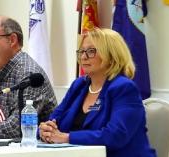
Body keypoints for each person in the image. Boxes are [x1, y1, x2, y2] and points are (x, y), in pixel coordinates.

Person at [39, 28, 156, 157]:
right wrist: (45, 130)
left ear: (111, 56)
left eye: (91, 51)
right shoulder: (79, 85)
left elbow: (115, 136)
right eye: (82, 51)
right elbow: (54, 120)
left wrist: (66, 137)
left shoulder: (124, 88)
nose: (83, 57)